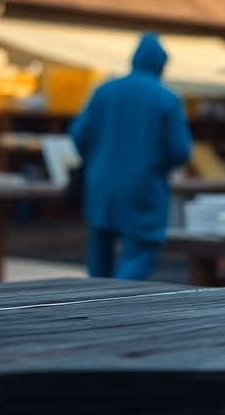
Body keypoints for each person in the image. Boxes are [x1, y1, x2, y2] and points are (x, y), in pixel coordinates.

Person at [70, 34, 192, 280]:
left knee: (99, 256)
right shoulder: (166, 98)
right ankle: (117, 305)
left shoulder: (103, 91)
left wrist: (96, 159)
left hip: (100, 184)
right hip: (143, 186)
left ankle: (96, 304)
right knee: (140, 253)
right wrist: (158, 165)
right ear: (161, 65)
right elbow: (180, 150)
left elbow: (78, 134)